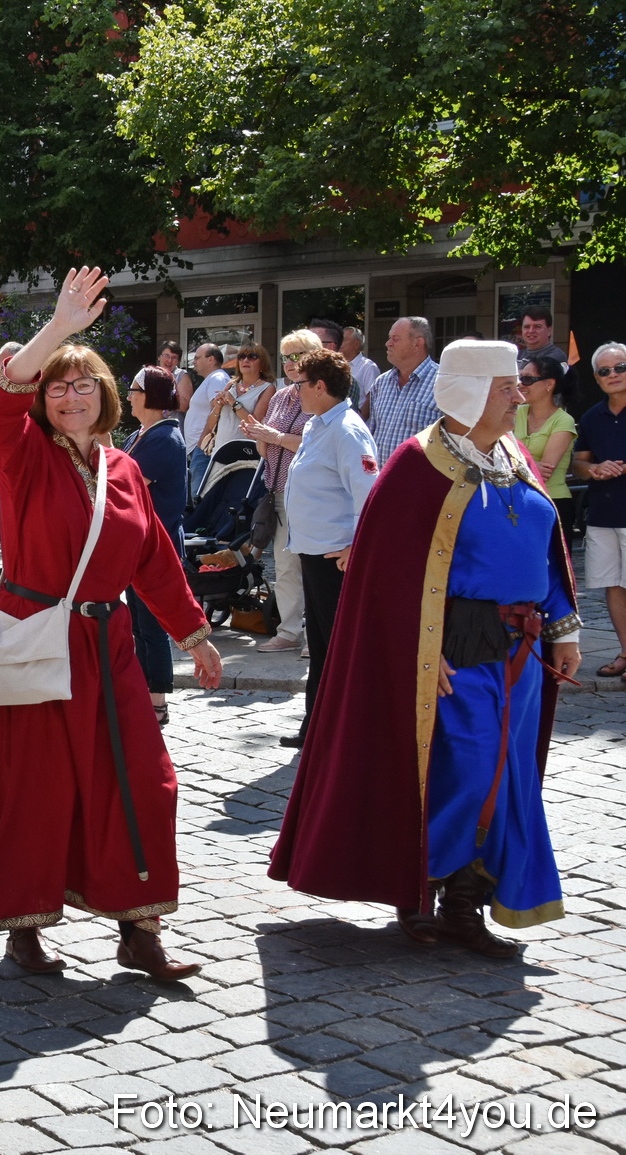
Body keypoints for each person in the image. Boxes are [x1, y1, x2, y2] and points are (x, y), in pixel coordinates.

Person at [270, 339, 580, 956]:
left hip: (518, 647)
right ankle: (418, 889)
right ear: (468, 393)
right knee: (464, 768)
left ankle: (466, 908)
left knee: (505, 775)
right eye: (504, 387)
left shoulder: (512, 455)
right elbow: (385, 581)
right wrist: (416, 648)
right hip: (452, 646)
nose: (519, 396)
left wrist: (563, 624)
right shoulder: (415, 467)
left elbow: (544, 549)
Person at [0, 267, 222, 981]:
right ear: (42, 401)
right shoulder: (21, 454)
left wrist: (195, 635)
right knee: (34, 790)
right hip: (38, 637)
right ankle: (22, 925)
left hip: (108, 647)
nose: (71, 395)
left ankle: (138, 928)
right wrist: (59, 329)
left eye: (84, 383)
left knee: (144, 781)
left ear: (107, 394)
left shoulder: (126, 470)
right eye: (57, 386)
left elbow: (154, 561)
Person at [280, 348, 378, 748]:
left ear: (320, 386)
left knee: (340, 648)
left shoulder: (347, 429)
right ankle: (317, 728)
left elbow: (369, 492)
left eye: (300, 383)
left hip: (336, 557)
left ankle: (345, 732)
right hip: (314, 552)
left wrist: (358, 545)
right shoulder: (318, 425)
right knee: (321, 646)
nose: (294, 390)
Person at [241, 330, 322, 655]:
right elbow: (267, 447)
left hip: (311, 494)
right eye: (286, 356)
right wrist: (261, 437)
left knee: (312, 565)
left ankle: (313, 633)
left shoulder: (321, 393)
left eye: (298, 355)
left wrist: (273, 436)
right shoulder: (280, 396)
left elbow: (315, 443)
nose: (291, 363)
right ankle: (289, 630)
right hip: (277, 489)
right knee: (286, 565)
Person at [123, 367, 188, 725]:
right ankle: (142, 692)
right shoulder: (141, 433)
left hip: (157, 545)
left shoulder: (164, 439)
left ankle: (157, 701)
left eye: (134, 389)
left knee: (152, 625)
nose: (129, 395)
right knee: (137, 623)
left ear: (151, 396)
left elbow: (125, 484)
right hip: (139, 543)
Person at [575, 342, 626, 682]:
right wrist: (594, 469)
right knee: (612, 585)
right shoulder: (592, 416)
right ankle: (625, 652)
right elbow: (579, 463)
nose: (613, 375)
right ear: (596, 378)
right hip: (603, 514)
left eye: (620, 367)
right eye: (605, 371)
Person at [515, 354, 576, 543]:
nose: (520, 385)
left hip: (552, 503)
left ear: (549, 384)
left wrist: (510, 463)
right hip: (517, 501)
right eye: (519, 378)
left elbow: (545, 471)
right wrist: (528, 465)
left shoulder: (564, 420)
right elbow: (492, 453)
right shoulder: (516, 412)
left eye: (527, 379)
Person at [365, 316, 440, 451]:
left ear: (417, 343)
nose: (388, 343)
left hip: (419, 472)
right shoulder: (381, 383)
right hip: (382, 471)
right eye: (389, 338)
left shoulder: (442, 383)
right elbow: (372, 433)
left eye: (395, 338)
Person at [204, 342, 274, 455]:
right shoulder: (231, 385)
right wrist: (218, 406)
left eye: (252, 356)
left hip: (245, 454)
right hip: (219, 453)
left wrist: (233, 402)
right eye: (241, 357)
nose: (245, 360)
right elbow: (211, 425)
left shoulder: (267, 388)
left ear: (262, 363)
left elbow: (254, 425)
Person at [185, 343, 231, 494]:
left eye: (197, 358)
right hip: (199, 447)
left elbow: (218, 410)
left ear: (211, 359)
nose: (194, 362)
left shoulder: (217, 378)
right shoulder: (212, 379)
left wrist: (203, 440)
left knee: (198, 497)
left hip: (204, 448)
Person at [134, 340, 190, 422]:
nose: (169, 360)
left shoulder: (181, 375)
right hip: (150, 422)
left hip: (171, 424)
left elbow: (184, 406)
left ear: (178, 361)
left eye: (174, 357)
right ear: (159, 357)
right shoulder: (151, 375)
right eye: (166, 356)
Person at [341, 326, 380, 409]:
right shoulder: (338, 365)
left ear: (356, 344)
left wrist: (359, 420)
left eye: (343, 340)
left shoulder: (368, 367)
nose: (340, 343)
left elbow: (371, 399)